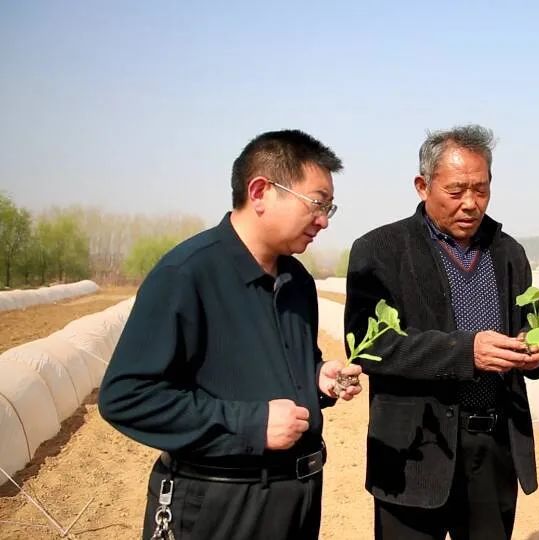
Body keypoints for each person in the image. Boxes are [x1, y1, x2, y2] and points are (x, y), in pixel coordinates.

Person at [99, 129, 362, 540]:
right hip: (220, 505)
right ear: (260, 192)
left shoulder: (297, 281)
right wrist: (251, 424)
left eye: (330, 207)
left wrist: (317, 378)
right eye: (316, 203)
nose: (324, 220)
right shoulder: (186, 275)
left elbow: (279, 365)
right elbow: (126, 397)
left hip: (298, 500)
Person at [344, 124, 539, 539]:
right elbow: (371, 347)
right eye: (456, 192)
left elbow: (534, 325)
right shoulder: (380, 250)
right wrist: (465, 353)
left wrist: (536, 352)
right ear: (423, 186)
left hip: (492, 450)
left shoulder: (509, 252)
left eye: (481, 190)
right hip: (415, 452)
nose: (471, 204)